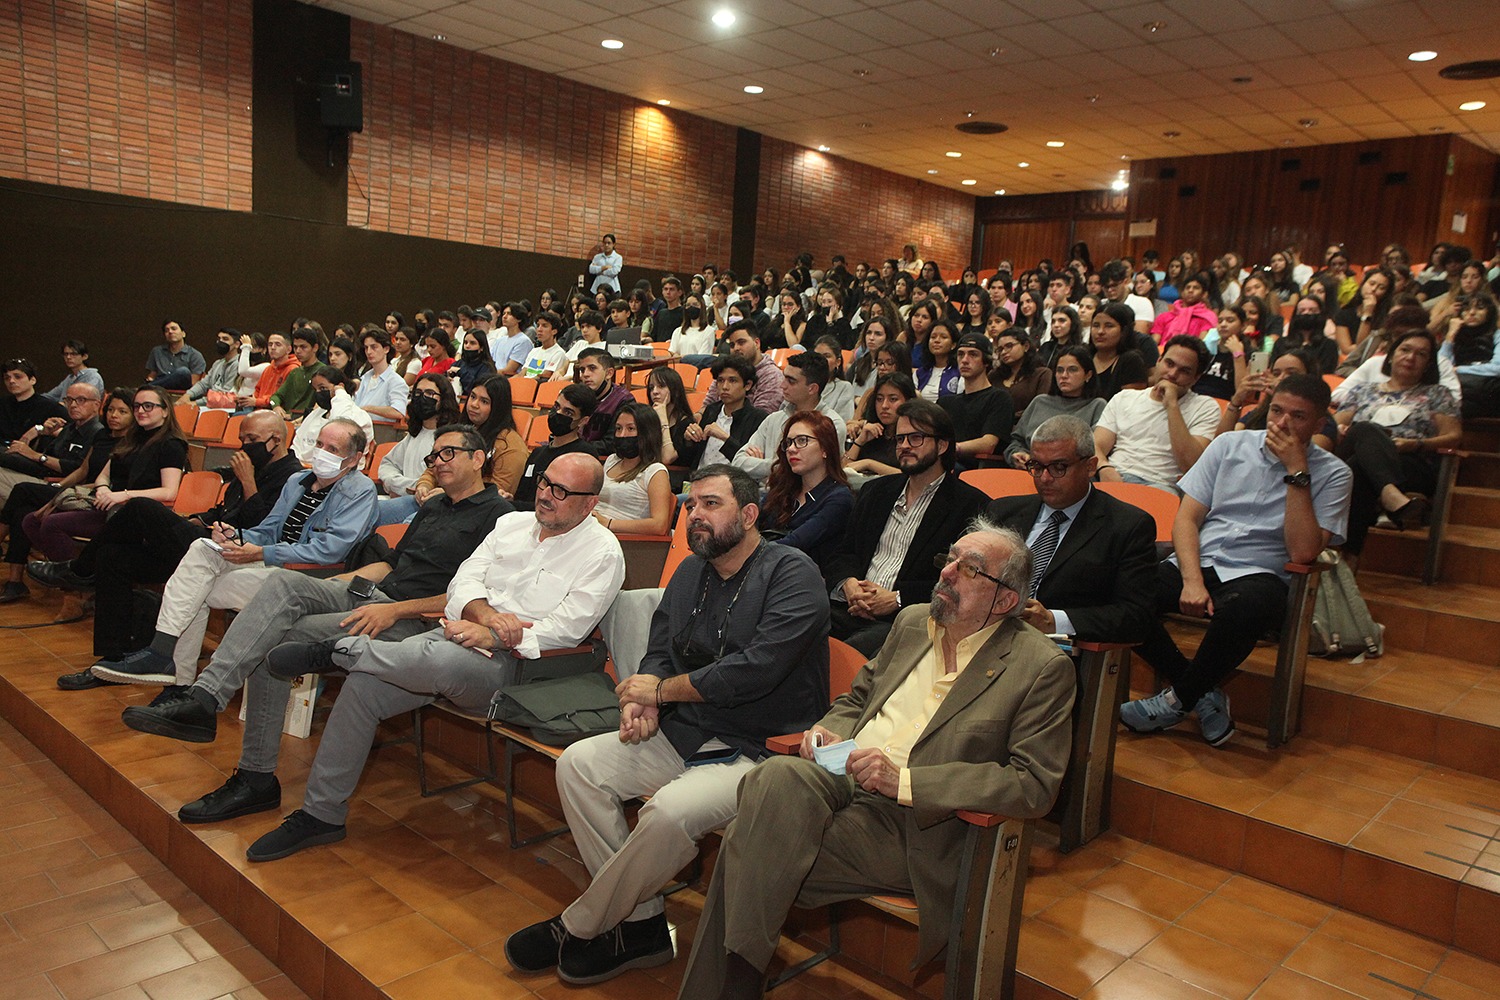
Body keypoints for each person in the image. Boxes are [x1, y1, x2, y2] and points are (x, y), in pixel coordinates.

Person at [676, 521, 1076, 1000]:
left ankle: (731, 988)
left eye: (968, 569)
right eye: (949, 559)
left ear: (1005, 599)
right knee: (777, 776)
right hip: (841, 774)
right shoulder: (914, 623)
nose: (947, 572)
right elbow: (858, 698)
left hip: (913, 823)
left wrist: (904, 781)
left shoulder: (1041, 667)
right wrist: (829, 730)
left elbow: (1034, 784)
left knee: (751, 840)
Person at [504, 464, 829, 986]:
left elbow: (757, 669)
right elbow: (661, 647)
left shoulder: (793, 572)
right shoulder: (692, 571)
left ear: (749, 515)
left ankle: (580, 924)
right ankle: (641, 923)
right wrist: (649, 698)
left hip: (761, 751)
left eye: (711, 504)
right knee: (580, 766)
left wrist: (661, 692)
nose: (694, 514)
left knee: (668, 812)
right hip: (689, 730)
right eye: (690, 504)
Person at [228, 451, 620, 861]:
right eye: (544, 483)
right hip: (453, 633)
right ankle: (321, 816)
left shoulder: (602, 553)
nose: (545, 495)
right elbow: (462, 583)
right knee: (365, 685)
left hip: (518, 669)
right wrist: (485, 617)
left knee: (440, 661)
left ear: (590, 502)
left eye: (561, 491)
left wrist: (494, 636)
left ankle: (341, 651)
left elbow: (567, 628)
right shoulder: (511, 525)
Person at [118, 425, 512, 825]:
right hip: (374, 595)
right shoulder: (434, 506)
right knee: (284, 584)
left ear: (478, 458)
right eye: (433, 456)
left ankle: (254, 778)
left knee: (275, 644)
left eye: (448, 454)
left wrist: (395, 611)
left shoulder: (500, 517)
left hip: (417, 622)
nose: (437, 463)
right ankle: (205, 698)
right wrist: (335, 586)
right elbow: (391, 564)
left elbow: (471, 597)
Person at [1121, 374, 1352, 746]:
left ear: (1319, 423)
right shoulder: (1229, 445)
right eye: (1276, 411)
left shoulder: (1335, 474)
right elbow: (1186, 519)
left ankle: (1176, 700)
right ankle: (1199, 694)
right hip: (1200, 559)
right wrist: (1192, 580)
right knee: (1124, 593)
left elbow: (1303, 552)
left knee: (1244, 610)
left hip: (1260, 573)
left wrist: (1297, 473)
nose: (1282, 424)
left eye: (1297, 416)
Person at [86, 419, 376, 687]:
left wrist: (261, 552)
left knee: (195, 589)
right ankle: (164, 657)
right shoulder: (297, 481)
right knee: (201, 548)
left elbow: (329, 550)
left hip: (307, 578)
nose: (322, 453)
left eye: (332, 449)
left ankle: (176, 678)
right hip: (272, 562)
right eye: (320, 445)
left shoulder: (360, 491)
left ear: (353, 459)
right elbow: (268, 529)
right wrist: (236, 536)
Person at [29, 410, 305, 690]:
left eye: (252, 439)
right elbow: (224, 512)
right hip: (208, 540)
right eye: (242, 438)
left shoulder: (292, 478)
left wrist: (248, 482)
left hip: (236, 556)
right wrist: (198, 519)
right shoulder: (253, 465)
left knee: (140, 507)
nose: (244, 445)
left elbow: (264, 528)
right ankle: (112, 661)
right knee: (113, 557)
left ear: (276, 439)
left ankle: (79, 571)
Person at [826, 399, 987, 656]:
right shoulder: (875, 491)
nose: (904, 446)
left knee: (845, 654)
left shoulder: (970, 505)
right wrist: (849, 584)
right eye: (900, 439)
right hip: (849, 607)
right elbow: (844, 553)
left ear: (942, 445)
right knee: (794, 625)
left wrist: (897, 598)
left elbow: (964, 580)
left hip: (908, 619)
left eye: (916, 438)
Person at [986, 415, 1158, 642]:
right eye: (1036, 466)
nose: (1045, 478)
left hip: (1058, 649)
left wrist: (1054, 621)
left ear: (1090, 467)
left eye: (1059, 467)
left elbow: (1136, 615)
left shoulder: (1127, 526)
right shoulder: (1002, 512)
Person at [21, 384, 186, 566]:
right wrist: (103, 489)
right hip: (108, 504)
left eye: (148, 406)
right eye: (137, 406)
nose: (140, 411)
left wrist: (122, 495)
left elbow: (169, 492)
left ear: (165, 411)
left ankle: (77, 572)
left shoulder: (171, 444)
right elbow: (103, 476)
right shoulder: (132, 439)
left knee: (52, 524)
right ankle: (76, 568)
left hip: (132, 514)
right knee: (31, 520)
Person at [1334, 329, 1461, 559]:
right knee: (1364, 430)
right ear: (1391, 356)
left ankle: (1347, 558)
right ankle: (1391, 496)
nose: (1410, 357)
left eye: (1421, 354)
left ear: (1428, 364)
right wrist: (1341, 429)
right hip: (1361, 450)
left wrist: (1415, 444)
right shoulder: (1363, 391)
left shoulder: (1437, 394)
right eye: (1405, 350)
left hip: (1410, 461)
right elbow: (1333, 425)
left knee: (1358, 469)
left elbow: (1453, 436)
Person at [0, 388, 129, 606]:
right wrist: (60, 488)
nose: (114, 415)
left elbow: (106, 482)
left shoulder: (129, 443)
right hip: (74, 489)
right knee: (25, 513)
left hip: (99, 498)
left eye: (122, 411)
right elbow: (82, 470)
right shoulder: (102, 436)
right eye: (111, 410)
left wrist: (63, 489)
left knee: (23, 491)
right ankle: (15, 581)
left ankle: (76, 586)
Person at [1095, 335, 1221, 489]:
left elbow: (1189, 465)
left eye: (1184, 371)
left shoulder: (1205, 407)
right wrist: (1103, 467)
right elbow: (1097, 446)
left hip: (1160, 485)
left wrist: (1172, 404)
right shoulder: (1125, 397)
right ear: (1159, 361)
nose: (1172, 374)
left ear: (1196, 378)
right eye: (1169, 363)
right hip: (1114, 474)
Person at [730, 351, 846, 484]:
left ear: (812, 389)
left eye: (791, 381)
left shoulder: (833, 424)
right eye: (784, 378)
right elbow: (738, 462)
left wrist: (762, 465)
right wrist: (775, 465)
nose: (782, 385)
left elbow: (813, 473)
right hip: (767, 492)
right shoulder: (773, 419)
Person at [758, 411, 853, 571]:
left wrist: (745, 552)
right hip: (767, 570)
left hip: (804, 578)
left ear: (825, 448)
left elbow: (794, 543)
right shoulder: (782, 489)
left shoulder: (839, 499)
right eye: (788, 442)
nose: (791, 449)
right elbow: (749, 522)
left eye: (802, 440)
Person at [374, 375, 460, 525]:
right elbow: (387, 465)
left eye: (429, 393)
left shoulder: (452, 438)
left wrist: (413, 489)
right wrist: (403, 486)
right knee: (366, 510)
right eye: (418, 393)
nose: (422, 398)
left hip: (434, 504)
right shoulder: (414, 434)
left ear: (443, 399)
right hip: (408, 498)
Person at [0, 380, 100, 506]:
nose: (73, 405)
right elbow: (48, 453)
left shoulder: (98, 433)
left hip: (57, 483)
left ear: (96, 405)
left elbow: (77, 468)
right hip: (40, 473)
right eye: (69, 400)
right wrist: (43, 433)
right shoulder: (69, 428)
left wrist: (34, 455)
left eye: (81, 400)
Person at [1007, 345, 1107, 469]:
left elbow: (1094, 450)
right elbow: (1016, 440)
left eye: (1072, 370)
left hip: (1070, 473)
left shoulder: (1097, 405)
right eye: (1059, 370)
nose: (1064, 375)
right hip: (1030, 469)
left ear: (1088, 375)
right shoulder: (1040, 402)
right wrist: (1017, 454)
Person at [512, 384, 599, 508]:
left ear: (583, 421)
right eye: (557, 406)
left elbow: (566, 505)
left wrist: (515, 506)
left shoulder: (583, 456)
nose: (558, 413)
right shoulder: (537, 453)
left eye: (568, 412)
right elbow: (521, 495)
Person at [594, 403, 672, 535]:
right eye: (618, 428)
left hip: (623, 539)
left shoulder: (655, 472)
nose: (622, 435)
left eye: (630, 429)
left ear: (647, 433)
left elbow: (659, 525)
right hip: (593, 529)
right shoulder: (612, 460)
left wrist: (608, 523)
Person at [939, 334, 1013, 470]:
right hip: (945, 463)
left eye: (973, 355)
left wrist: (953, 448)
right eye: (961, 354)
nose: (964, 360)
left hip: (974, 468)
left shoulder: (999, 398)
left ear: (986, 361)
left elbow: (988, 444)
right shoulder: (946, 402)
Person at [682, 357, 769, 470]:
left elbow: (750, 464)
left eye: (732, 381)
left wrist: (724, 438)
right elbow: (691, 458)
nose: (725, 387)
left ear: (748, 385)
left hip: (732, 479)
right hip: (699, 475)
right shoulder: (711, 410)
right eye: (720, 380)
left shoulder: (758, 418)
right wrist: (689, 440)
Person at [698, 324, 785, 415]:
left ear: (756, 343)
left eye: (741, 342)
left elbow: (762, 418)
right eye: (732, 345)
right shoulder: (726, 370)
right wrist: (699, 416)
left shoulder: (772, 376)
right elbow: (707, 405)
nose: (736, 348)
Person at [290, 367, 372, 464]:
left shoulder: (357, 415)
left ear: (339, 387)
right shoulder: (317, 413)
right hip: (302, 467)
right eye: (315, 389)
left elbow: (340, 427)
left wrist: (340, 393)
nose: (318, 393)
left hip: (338, 470)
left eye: (322, 388)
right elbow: (297, 443)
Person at [844, 373, 916, 477]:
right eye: (879, 399)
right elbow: (844, 470)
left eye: (893, 399)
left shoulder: (914, 437)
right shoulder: (871, 431)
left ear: (908, 401)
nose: (884, 406)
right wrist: (859, 441)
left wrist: (869, 464)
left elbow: (912, 476)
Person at [1088, 302, 1149, 400]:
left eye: (1109, 326)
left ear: (1124, 331)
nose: (1100, 331)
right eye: (1096, 325)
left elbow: (1130, 404)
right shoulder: (1084, 356)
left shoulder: (1132, 360)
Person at [1, 358, 68, 445]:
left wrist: (40, 429)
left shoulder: (50, 407)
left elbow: (72, 433)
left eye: (18, 377)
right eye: (7, 378)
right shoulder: (3, 404)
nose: (11, 381)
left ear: (33, 380)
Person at [353, 329, 411, 423]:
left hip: (382, 429)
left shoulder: (396, 381)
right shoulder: (365, 378)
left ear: (386, 349)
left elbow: (398, 412)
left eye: (374, 347)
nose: (369, 352)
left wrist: (369, 408)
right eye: (366, 348)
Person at [1150, 272, 1219, 344]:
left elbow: (1203, 345)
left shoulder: (1207, 318)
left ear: (1204, 294)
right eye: (1188, 287)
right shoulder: (1163, 317)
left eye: (1196, 288)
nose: (1190, 290)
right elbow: (1154, 343)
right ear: (1182, 293)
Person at [647, 366, 694, 467]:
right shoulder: (647, 419)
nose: (655, 391)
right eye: (651, 388)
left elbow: (667, 458)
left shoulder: (687, 423)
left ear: (675, 391)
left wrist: (663, 419)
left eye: (661, 386)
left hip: (676, 473)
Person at [144, 320, 206, 390]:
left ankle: (147, 387)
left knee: (183, 372)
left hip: (181, 389)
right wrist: (149, 380)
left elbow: (193, 383)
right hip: (160, 389)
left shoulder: (195, 355)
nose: (170, 332)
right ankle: (148, 388)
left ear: (183, 334)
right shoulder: (157, 351)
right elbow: (152, 375)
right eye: (166, 330)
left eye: (174, 329)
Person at [522, 310, 569, 380]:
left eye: (544, 326)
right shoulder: (534, 351)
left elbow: (545, 375)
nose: (539, 329)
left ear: (554, 331)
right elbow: (522, 373)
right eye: (538, 325)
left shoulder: (559, 353)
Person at [455, 330, 498, 397]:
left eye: (472, 343)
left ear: (481, 348)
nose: (467, 346)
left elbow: (475, 389)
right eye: (465, 342)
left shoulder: (487, 368)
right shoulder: (460, 363)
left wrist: (460, 372)